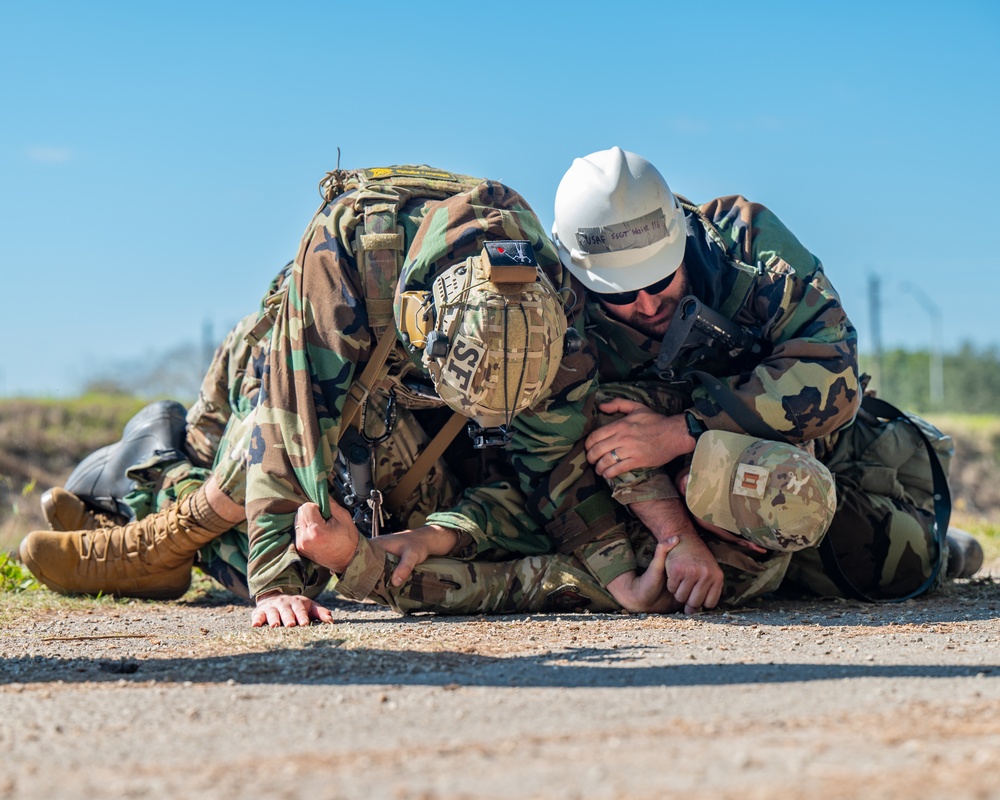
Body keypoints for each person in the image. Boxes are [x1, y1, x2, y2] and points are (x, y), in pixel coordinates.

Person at [290, 147, 981, 617]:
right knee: (854, 561)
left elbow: (833, 376)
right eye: (620, 294)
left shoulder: (746, 244)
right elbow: (554, 472)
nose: (646, 305)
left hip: (814, 449)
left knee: (900, 558)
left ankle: (942, 548)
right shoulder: (555, 316)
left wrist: (681, 432)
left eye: (660, 282)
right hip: (680, 504)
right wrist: (669, 536)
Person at [20, 165, 625, 624]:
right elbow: (295, 415)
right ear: (421, 324)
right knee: (276, 506)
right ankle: (154, 531)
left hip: (417, 438)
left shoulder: (550, 309)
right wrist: (278, 581)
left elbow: (553, 458)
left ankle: (161, 522)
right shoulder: (353, 251)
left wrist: (615, 568)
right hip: (277, 371)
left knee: (329, 537)